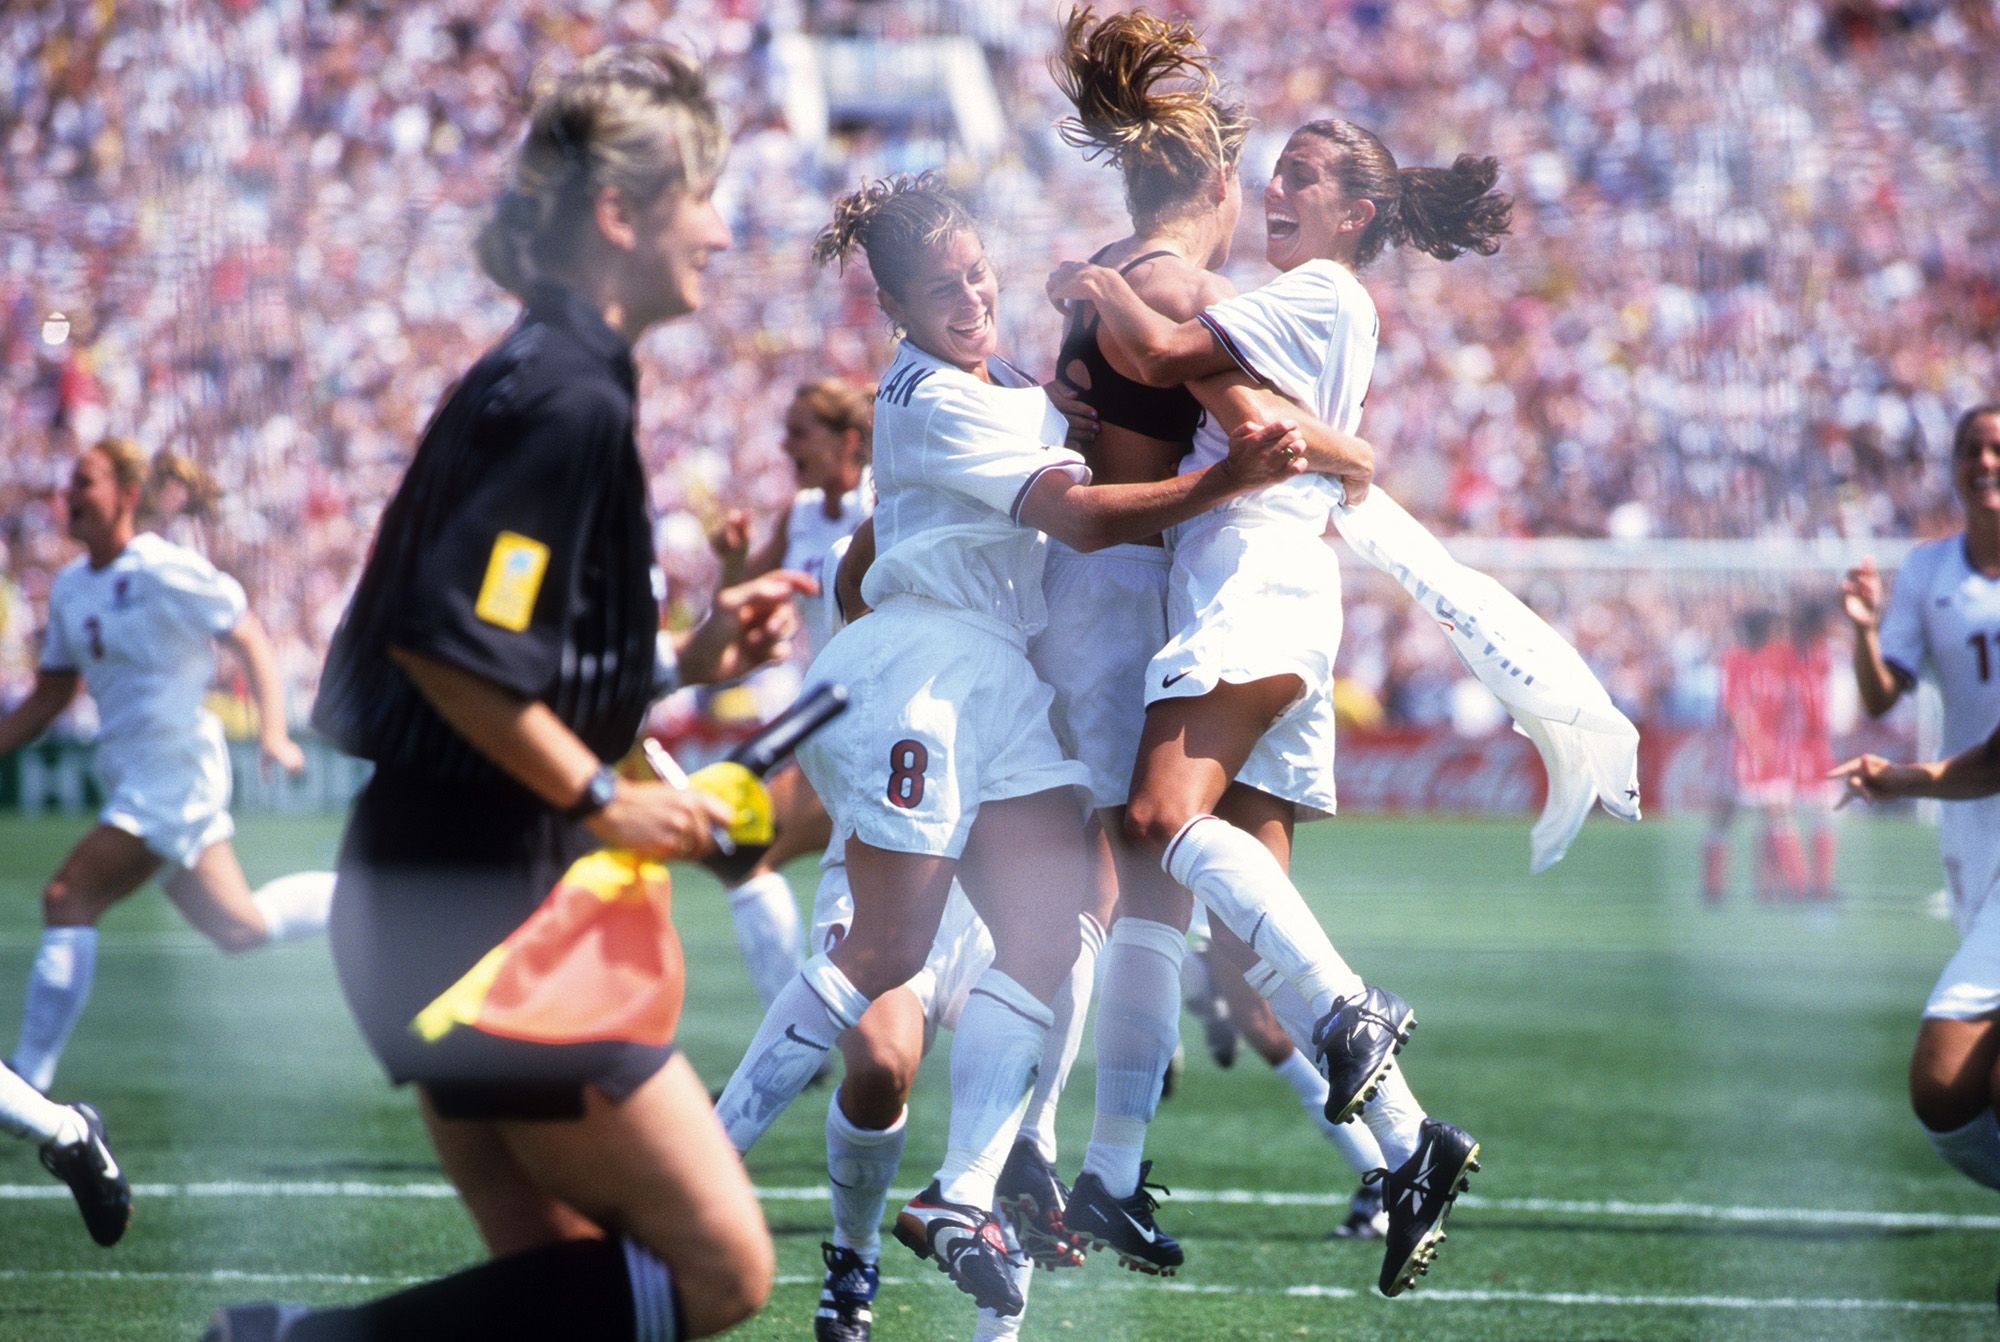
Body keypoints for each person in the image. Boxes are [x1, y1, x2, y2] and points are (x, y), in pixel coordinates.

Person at [205, 45, 813, 1342]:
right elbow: (446, 642)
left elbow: (501, 642)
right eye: (701, 193)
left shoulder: (543, 372)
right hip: (493, 907)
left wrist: (689, 663)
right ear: (620, 213)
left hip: (427, 891)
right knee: (719, 1272)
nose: (720, 225)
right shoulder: (568, 396)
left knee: (573, 1287)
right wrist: (606, 796)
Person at [709, 168, 1306, 1320]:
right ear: (893, 308)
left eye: (979, 274)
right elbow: (1077, 517)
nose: (972, 299)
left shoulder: (995, 382)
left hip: (993, 681)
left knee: (1058, 915)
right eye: (943, 289)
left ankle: (959, 1189)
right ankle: (709, 1151)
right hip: (930, 674)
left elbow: (867, 549)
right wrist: (1223, 476)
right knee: (887, 947)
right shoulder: (932, 397)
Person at [1048, 113, 1509, 1297]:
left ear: (1356, 213)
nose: (1280, 188)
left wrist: (1092, 279)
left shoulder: (1318, 290)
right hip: (1283, 585)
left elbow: (1160, 352)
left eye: (1306, 176)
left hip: (1246, 579)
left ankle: (1352, 1011)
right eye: (1279, 172)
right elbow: (1256, 403)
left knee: (1151, 823)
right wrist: (1340, 449)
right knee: (1208, 905)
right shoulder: (1306, 304)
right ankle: (1408, 1147)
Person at [1023, 6, 1386, 1278]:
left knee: (1142, 904)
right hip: (1152, 600)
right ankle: (1013, 1158)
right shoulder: (1180, 288)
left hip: (1090, 602)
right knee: (1135, 885)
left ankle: (1377, 1144)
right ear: (1220, 180)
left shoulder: (1102, 272)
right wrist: (1360, 455)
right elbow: (1272, 438)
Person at [0, 439, 334, 1100]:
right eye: (68, 485)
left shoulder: (163, 569)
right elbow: (50, 694)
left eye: (85, 482)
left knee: (69, 898)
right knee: (239, 927)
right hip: (138, 776)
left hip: (176, 770)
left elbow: (249, 636)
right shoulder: (71, 588)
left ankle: (26, 1091)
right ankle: (361, 897)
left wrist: (273, 731)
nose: (70, 496)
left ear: (127, 494)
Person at [1838, 402, 2000, 1256]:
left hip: (1966, 785)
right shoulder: (1931, 569)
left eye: (1998, 446)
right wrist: (1865, 634)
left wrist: (1905, 778)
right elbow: (1880, 695)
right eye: (1971, 448)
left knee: (1959, 1077)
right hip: (1972, 829)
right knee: (1955, 1091)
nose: (1985, 461)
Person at [707, 379, 874, 1014]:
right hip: (828, 722)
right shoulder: (802, 514)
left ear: (849, 441)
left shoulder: (886, 505)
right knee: (741, 851)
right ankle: (802, 1036)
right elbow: (740, 606)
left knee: (743, 851)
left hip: (877, 721)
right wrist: (733, 561)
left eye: (801, 431)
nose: (785, 444)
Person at [1703, 607, 1811, 902]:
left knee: (1767, 814)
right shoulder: (1737, 660)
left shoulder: (1781, 658)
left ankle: (1778, 887)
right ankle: (1795, 887)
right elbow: (1734, 709)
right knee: (1749, 814)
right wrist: (1756, 745)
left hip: (1770, 750)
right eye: (1776, 629)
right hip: (1744, 753)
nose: (1781, 635)